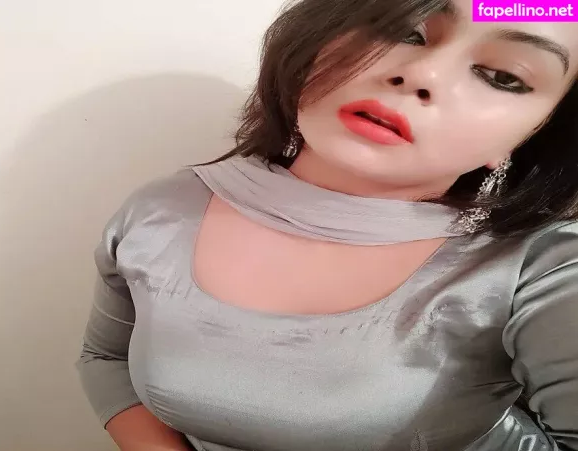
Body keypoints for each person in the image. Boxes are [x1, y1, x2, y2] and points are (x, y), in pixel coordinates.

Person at [76, 0, 578, 450]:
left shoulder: (545, 270)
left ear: (535, 133)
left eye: (503, 77)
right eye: (406, 31)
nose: (421, 73)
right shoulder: (162, 211)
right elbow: (105, 359)